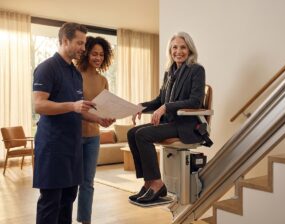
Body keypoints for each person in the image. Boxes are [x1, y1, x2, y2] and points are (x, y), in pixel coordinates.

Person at [32, 23, 114, 224]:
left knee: (68, 198)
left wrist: (98, 119)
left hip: (73, 145)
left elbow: (80, 109)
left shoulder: (75, 74)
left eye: (83, 43)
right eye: (79, 43)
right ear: (64, 41)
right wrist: (72, 106)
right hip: (53, 146)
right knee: (51, 200)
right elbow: (39, 105)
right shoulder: (46, 68)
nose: (82, 48)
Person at [127, 32, 206, 203]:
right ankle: (149, 183)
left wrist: (166, 107)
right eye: (174, 47)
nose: (178, 51)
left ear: (190, 49)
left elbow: (195, 101)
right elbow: (159, 100)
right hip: (169, 122)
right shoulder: (169, 73)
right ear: (170, 50)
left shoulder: (196, 70)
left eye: (183, 47)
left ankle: (157, 184)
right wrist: (140, 106)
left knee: (143, 135)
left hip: (185, 125)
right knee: (132, 133)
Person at [75, 36, 113, 224]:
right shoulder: (74, 74)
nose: (98, 58)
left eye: (101, 54)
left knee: (88, 183)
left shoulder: (103, 80)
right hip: (73, 136)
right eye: (94, 53)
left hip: (93, 137)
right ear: (86, 53)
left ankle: (85, 221)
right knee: (70, 183)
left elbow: (104, 109)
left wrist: (110, 118)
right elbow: (74, 107)